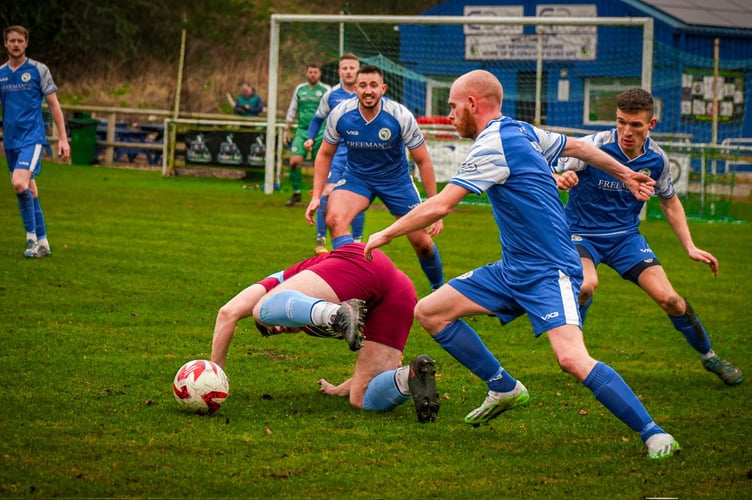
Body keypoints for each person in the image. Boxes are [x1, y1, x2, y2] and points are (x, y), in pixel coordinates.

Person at [364, 69, 680, 459]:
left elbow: (441, 204)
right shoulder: (523, 131)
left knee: (571, 358)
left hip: (550, 270)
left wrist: (385, 234)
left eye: (452, 106)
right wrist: (627, 172)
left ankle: (653, 432)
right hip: (512, 269)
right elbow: (579, 148)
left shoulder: (492, 144)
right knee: (430, 311)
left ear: (472, 104)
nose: (448, 115)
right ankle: (503, 385)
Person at [554, 87, 743, 386]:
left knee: (671, 300)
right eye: (621, 122)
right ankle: (573, 352)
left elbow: (669, 201)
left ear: (650, 125)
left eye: (635, 124)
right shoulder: (592, 146)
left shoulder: (657, 160)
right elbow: (548, 171)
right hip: (580, 235)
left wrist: (690, 246)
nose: (626, 131)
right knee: (586, 285)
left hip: (625, 238)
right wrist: (560, 178)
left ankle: (710, 357)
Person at [210, 242, 440, 423]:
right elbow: (387, 358)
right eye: (275, 332)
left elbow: (227, 312)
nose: (279, 328)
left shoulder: (282, 283)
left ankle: (334, 313)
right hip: (398, 290)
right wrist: (340, 388)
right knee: (361, 398)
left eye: (274, 326)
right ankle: (409, 378)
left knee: (260, 309)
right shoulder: (302, 310)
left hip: (360, 261)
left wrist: (215, 377)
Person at [305, 65, 445, 292]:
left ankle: (439, 289)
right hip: (357, 177)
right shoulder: (341, 114)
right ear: (355, 89)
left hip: (396, 181)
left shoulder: (400, 116)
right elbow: (325, 153)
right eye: (362, 86)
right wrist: (317, 195)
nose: (368, 91)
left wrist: (434, 206)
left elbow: (423, 161)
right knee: (334, 218)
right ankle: (354, 286)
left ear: (383, 88)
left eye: (373, 85)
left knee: (422, 243)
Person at [1, 25, 70, 259]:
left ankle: (30, 241)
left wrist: (63, 138)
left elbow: (54, 105)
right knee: (28, 189)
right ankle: (44, 242)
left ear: (26, 43)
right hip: (10, 141)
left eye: (20, 40)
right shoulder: (0, 74)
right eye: (12, 41)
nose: (16, 44)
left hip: (31, 138)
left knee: (19, 183)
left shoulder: (39, 70)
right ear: (6, 44)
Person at [304, 53, 366, 254]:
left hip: (361, 154)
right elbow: (317, 119)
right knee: (324, 194)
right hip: (337, 154)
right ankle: (321, 239)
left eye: (352, 68)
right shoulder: (331, 95)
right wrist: (310, 137)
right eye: (345, 68)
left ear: (358, 70)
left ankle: (356, 242)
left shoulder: (366, 94)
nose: (348, 71)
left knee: (359, 197)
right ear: (339, 71)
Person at [283, 63, 331, 206]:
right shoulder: (300, 89)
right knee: (294, 162)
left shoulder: (326, 89)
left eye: (315, 72)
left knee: (320, 165)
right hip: (302, 131)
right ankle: (297, 192)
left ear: (320, 74)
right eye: (310, 72)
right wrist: (287, 128)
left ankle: (319, 196)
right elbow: (292, 109)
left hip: (321, 132)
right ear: (306, 73)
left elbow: (331, 110)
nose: (312, 74)